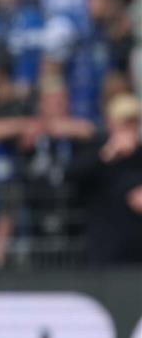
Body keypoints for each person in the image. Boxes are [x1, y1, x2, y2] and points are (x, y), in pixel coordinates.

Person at [66, 93, 142, 264]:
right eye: (124, 122)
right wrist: (108, 153)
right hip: (106, 254)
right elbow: (71, 176)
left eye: (133, 121)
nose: (129, 127)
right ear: (111, 122)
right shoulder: (96, 151)